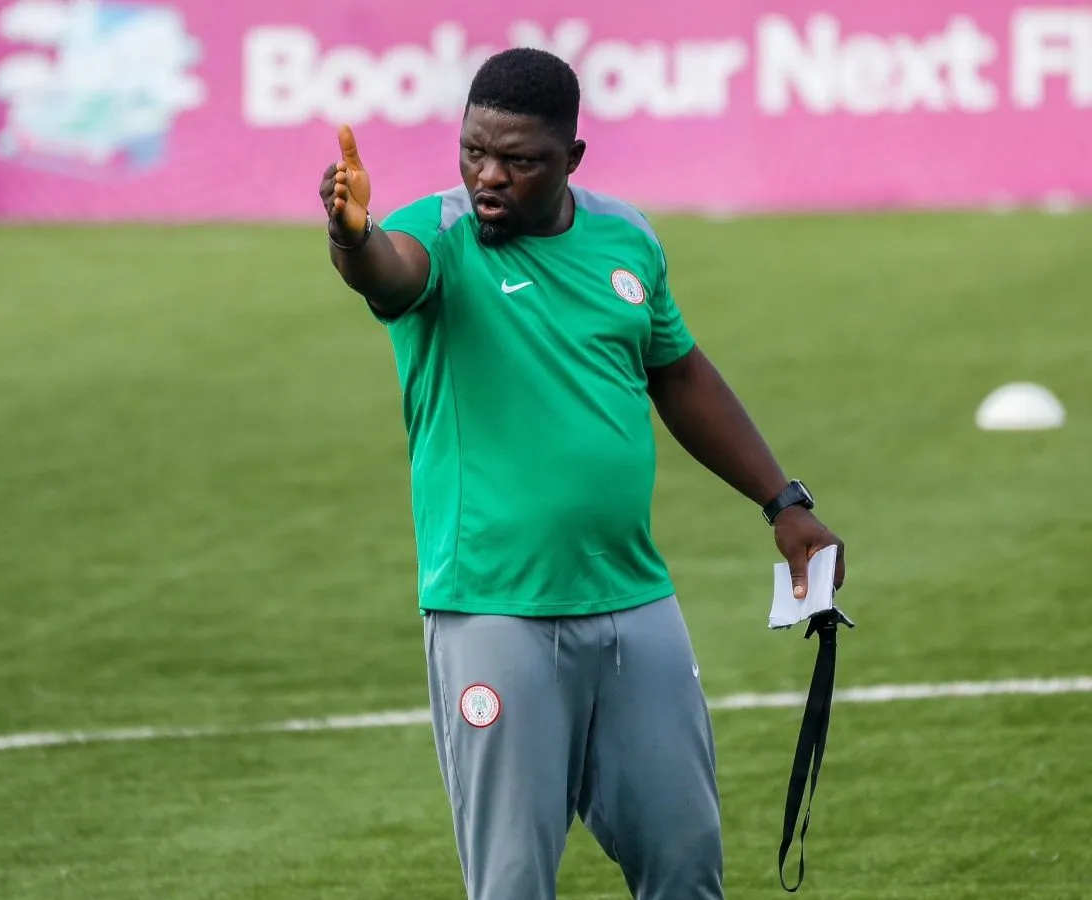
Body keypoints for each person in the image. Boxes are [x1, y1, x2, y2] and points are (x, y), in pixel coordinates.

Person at [319, 46, 846, 900]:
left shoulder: (626, 238)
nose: (489, 177)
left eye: (518, 160)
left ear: (571, 157)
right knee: (514, 883)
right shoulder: (437, 235)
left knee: (687, 866)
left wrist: (782, 501)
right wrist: (351, 235)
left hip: (635, 603)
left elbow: (678, 372)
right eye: (473, 151)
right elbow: (385, 272)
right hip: (495, 611)